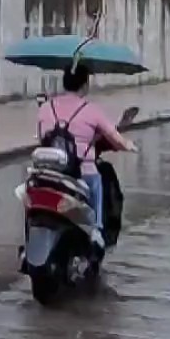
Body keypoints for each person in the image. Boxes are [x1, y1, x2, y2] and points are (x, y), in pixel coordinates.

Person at [36, 59, 135, 247]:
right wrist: (128, 145)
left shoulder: (45, 107)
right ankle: (96, 230)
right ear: (85, 84)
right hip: (81, 172)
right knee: (97, 182)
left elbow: (41, 137)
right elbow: (114, 137)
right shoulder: (91, 110)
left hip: (49, 170)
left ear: (64, 83)